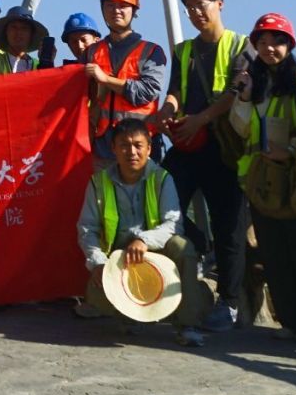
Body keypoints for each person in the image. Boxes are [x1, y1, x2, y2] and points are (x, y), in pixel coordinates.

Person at [227, 12, 296, 345]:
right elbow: (241, 128)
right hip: (260, 180)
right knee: (274, 252)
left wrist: (291, 150)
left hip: (295, 177)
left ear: (289, 46)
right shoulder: (252, 82)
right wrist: (243, 96)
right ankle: (288, 320)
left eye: (278, 42)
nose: (270, 48)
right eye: (263, 42)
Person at [159, 0, 248, 332]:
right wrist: (168, 110)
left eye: (202, 4)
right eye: (190, 7)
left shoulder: (241, 44)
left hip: (225, 146)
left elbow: (235, 91)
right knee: (162, 201)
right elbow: (175, 91)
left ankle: (229, 303)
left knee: (230, 225)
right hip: (187, 143)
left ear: (219, 4)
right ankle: (200, 245)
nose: (196, 12)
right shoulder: (184, 50)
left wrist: (201, 119)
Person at [76, 116, 208, 346]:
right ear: (113, 149)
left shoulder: (162, 178)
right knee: (96, 296)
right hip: (120, 255)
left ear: (149, 148)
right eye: (124, 146)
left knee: (183, 247)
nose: (132, 152)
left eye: (138, 145)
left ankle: (188, 324)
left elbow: (174, 224)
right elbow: (87, 229)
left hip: (155, 250)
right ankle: (129, 317)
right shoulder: (98, 182)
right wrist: (97, 262)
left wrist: (144, 240)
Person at [83, 0, 168, 160]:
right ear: (103, 9)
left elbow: (146, 92)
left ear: (134, 10)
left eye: (123, 5)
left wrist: (105, 80)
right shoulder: (92, 52)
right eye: (110, 5)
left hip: (140, 148)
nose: (116, 10)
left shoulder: (151, 51)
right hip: (102, 149)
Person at [0, 6, 50, 75]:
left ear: (31, 34)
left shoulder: (38, 65)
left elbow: (48, 80)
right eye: (13, 27)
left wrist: (47, 63)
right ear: (6, 32)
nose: (18, 32)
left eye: (24, 28)